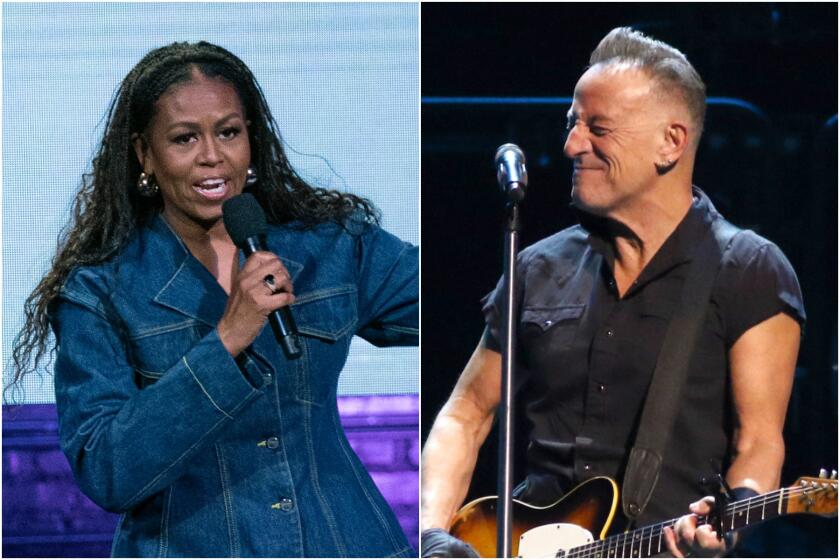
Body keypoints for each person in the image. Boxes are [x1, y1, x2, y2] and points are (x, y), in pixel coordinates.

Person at [10, 41, 417, 558]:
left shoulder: (331, 247)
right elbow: (108, 470)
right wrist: (226, 340)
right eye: (185, 138)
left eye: (228, 132)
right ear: (145, 154)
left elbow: (487, 310)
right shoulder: (100, 291)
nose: (213, 156)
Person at [420, 27, 804, 558]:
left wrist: (729, 524)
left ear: (670, 142)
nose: (571, 145)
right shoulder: (536, 266)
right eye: (571, 124)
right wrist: (432, 534)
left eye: (597, 128)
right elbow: (466, 414)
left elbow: (758, 441)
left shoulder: (747, 269)